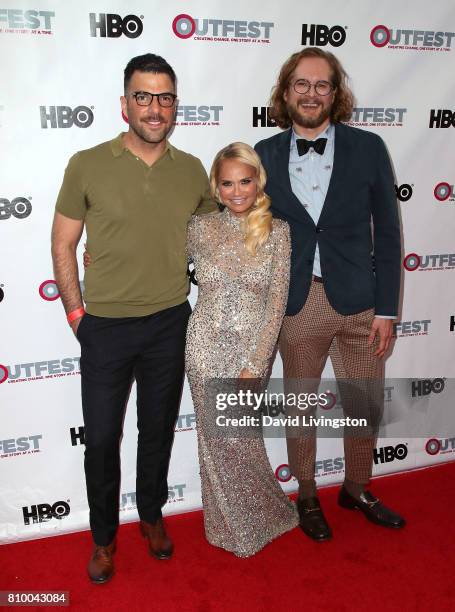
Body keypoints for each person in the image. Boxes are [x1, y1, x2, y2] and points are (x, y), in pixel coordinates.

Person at [51, 53, 216, 584]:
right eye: (143, 97)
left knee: (157, 431)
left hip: (171, 321)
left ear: (175, 107)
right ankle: (103, 539)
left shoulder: (193, 170)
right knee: (101, 439)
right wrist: (78, 315)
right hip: (105, 326)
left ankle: (150, 515)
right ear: (125, 104)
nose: (154, 108)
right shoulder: (86, 162)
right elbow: (63, 242)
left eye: (164, 98)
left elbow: (216, 241)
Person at [255, 47, 405, 542]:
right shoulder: (264, 154)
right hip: (300, 303)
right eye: (301, 84)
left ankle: (357, 488)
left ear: (336, 94)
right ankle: (306, 492)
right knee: (300, 404)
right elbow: (244, 229)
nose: (311, 94)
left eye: (322, 85)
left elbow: (388, 229)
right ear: (285, 91)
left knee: (364, 401)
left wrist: (387, 309)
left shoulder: (369, 147)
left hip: (362, 301)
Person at [185, 142, 299, 557]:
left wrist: (256, 362)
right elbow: (157, 262)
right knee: (216, 439)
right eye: (228, 183)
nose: (237, 192)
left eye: (245, 181)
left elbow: (276, 305)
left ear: (258, 181)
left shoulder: (278, 231)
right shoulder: (198, 228)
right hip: (204, 345)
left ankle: (263, 513)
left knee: (240, 437)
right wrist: (100, 256)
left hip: (251, 348)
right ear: (216, 187)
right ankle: (225, 526)